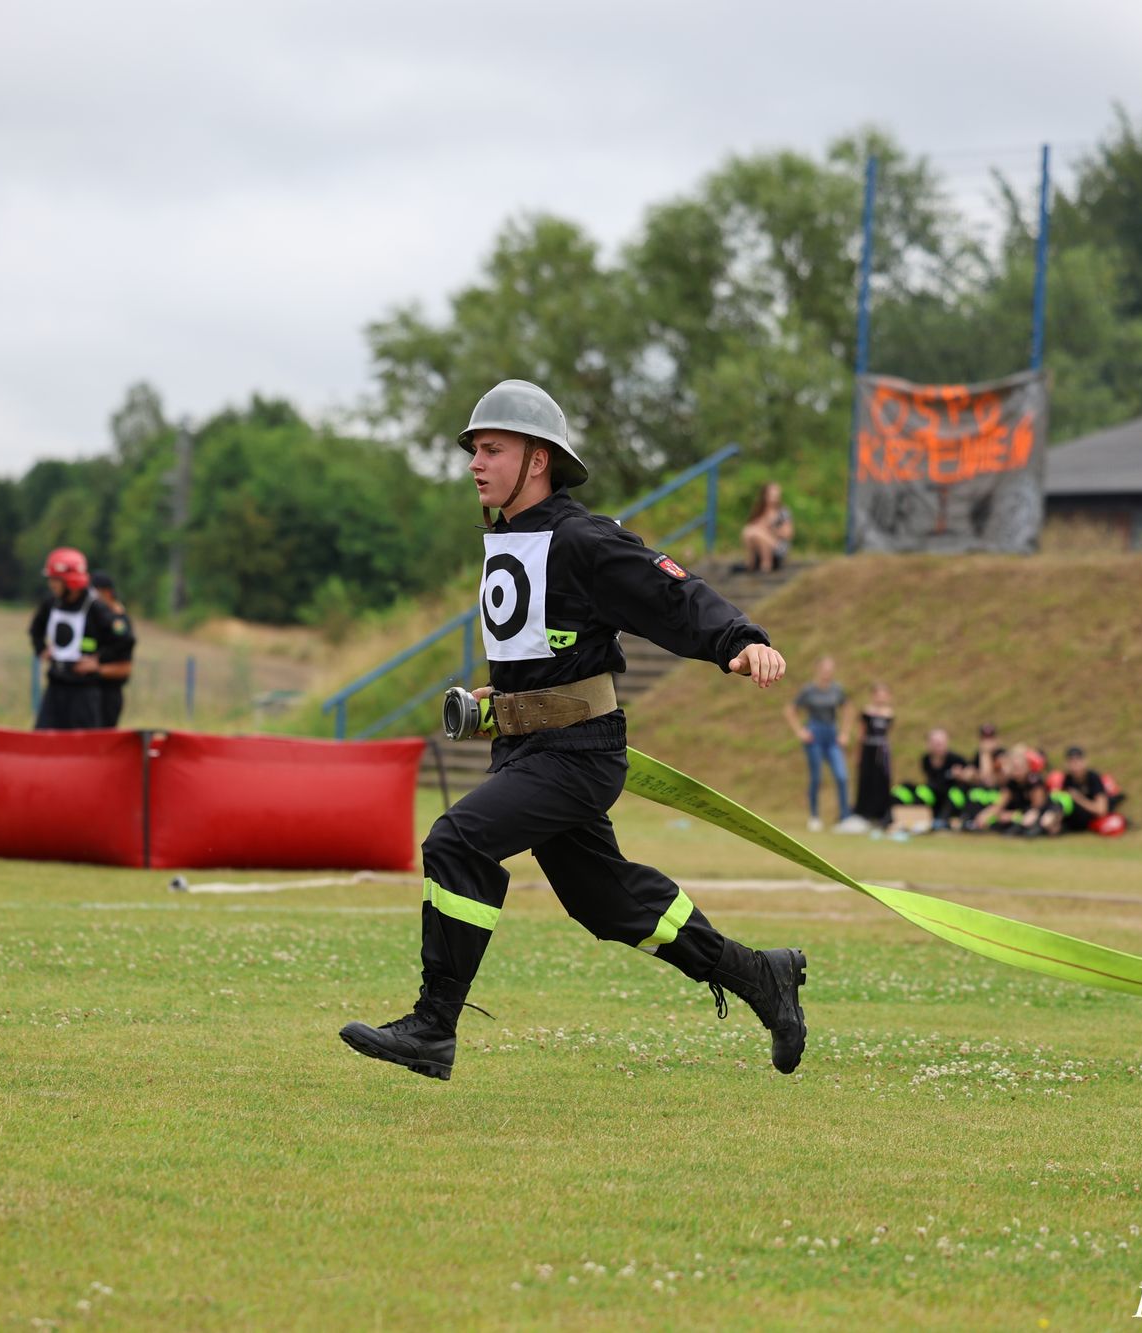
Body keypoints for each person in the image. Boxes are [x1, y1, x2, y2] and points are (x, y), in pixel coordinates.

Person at [338, 379, 805, 1082]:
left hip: (576, 755)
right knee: (607, 903)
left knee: (456, 841)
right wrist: (507, 701)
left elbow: (671, 591)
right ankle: (760, 976)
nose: (475, 463)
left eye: (492, 449)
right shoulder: (508, 538)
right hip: (525, 749)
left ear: (538, 460)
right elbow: (543, 646)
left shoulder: (582, 538)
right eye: (473, 450)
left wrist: (738, 638)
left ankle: (433, 1026)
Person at [28, 548, 119, 731]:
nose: (51, 585)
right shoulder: (51, 603)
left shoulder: (95, 608)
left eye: (55, 580)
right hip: (56, 685)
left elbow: (121, 641)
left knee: (82, 742)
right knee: (43, 739)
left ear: (70, 581)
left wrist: (98, 662)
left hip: (84, 690)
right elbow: (35, 629)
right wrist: (41, 649)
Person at [783, 656, 855, 832]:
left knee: (842, 776)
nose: (827, 673)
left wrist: (845, 733)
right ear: (818, 670)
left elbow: (848, 708)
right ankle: (814, 816)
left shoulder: (837, 689)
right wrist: (800, 731)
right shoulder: (809, 690)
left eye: (830, 670)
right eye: (825, 670)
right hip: (814, 735)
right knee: (816, 778)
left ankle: (845, 817)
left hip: (831, 735)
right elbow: (790, 710)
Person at [894, 728, 973, 829]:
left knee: (955, 794)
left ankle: (943, 821)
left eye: (941, 744)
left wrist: (962, 775)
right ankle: (915, 819)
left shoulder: (956, 759)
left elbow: (972, 774)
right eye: (936, 744)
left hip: (952, 796)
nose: (938, 747)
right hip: (936, 794)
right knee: (920, 791)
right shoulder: (926, 759)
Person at [87, 571, 138, 728]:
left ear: (106, 592)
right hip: (90, 691)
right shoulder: (95, 619)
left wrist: (95, 667)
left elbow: (125, 666)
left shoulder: (118, 622)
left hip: (108, 692)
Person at [850, 682, 895, 827]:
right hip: (868, 750)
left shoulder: (889, 714)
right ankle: (864, 812)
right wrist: (858, 753)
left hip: (882, 751)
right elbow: (861, 734)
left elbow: (887, 735)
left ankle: (881, 813)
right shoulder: (867, 712)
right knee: (866, 779)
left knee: (881, 780)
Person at [1045, 746, 1114, 835]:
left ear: (1084, 761)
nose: (1075, 765)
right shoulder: (1068, 779)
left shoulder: (1093, 778)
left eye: (1078, 760)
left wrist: (1078, 798)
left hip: (1090, 818)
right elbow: (1065, 804)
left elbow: (1101, 810)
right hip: (1074, 820)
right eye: (1071, 761)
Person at [739, 482, 794, 573]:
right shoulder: (759, 511)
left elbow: (788, 534)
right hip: (758, 546)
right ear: (765, 496)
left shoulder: (782, 512)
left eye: (777, 495)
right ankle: (751, 562)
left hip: (777, 548)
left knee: (758, 532)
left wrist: (770, 530)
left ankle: (766, 564)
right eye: (772, 495)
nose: (775, 498)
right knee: (748, 531)